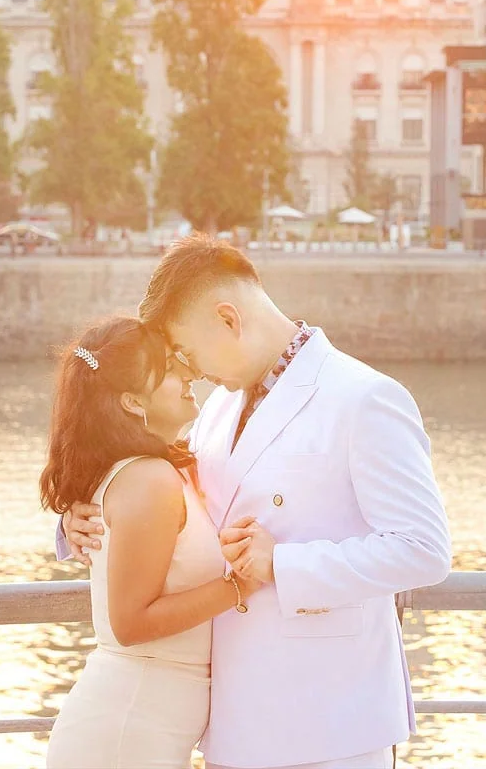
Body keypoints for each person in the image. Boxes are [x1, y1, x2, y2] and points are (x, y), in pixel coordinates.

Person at [61, 235, 452, 769]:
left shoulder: (363, 398)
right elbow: (169, 507)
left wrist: (282, 564)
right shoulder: (217, 409)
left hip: (328, 721)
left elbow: (424, 550)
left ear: (228, 319)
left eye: (187, 352)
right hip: (228, 723)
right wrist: (77, 522)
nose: (190, 371)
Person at [41, 315, 259, 769]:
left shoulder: (163, 469)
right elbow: (130, 622)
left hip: (147, 724)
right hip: (126, 729)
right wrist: (240, 586)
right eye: (167, 368)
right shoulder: (150, 478)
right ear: (131, 401)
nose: (187, 375)